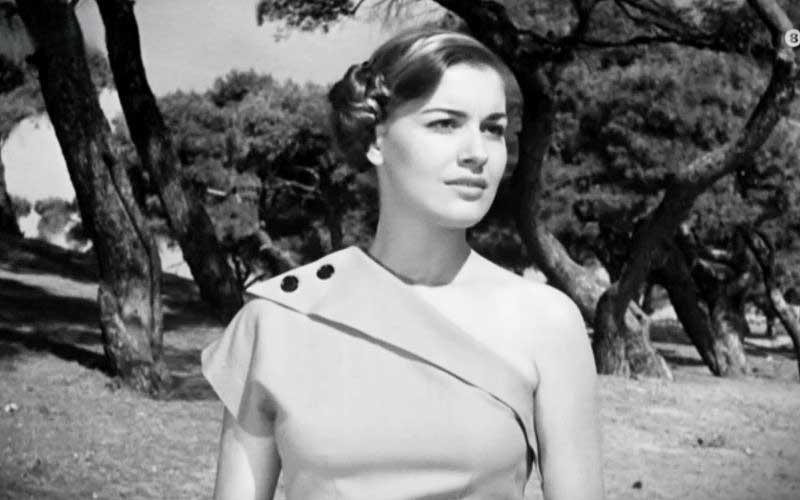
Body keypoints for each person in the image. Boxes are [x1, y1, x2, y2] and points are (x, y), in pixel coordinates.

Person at [202, 27, 603, 500]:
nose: (478, 153)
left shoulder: (547, 322)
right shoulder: (277, 320)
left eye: (493, 129)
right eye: (445, 124)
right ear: (376, 140)